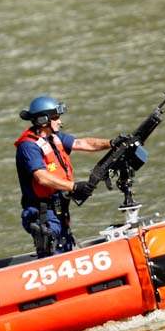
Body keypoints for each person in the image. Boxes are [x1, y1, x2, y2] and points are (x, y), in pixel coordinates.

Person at [15, 95, 114, 255]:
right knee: (53, 249)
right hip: (43, 213)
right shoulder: (28, 146)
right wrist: (74, 187)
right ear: (43, 120)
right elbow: (42, 177)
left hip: (59, 207)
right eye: (55, 117)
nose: (60, 121)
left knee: (66, 245)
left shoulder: (54, 137)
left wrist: (112, 143)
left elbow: (83, 143)